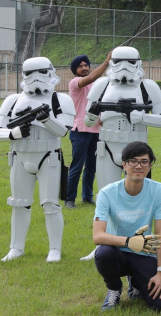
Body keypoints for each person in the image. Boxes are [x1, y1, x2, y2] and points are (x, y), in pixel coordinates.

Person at [0, 56, 76, 263]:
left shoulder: (61, 100)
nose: (35, 78)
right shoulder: (13, 101)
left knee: (50, 205)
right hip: (20, 156)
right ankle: (16, 248)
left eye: (41, 72)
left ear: (51, 72)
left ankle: (55, 249)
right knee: (19, 204)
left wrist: (45, 120)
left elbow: (63, 131)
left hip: (48, 156)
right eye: (30, 73)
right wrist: (14, 133)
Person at [92, 141, 161, 311]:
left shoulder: (158, 190)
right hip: (117, 252)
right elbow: (98, 236)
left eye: (144, 162)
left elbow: (160, 233)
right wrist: (129, 242)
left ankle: (136, 282)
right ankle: (114, 288)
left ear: (150, 166)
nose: (138, 166)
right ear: (124, 164)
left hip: (143, 253)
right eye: (133, 161)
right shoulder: (107, 193)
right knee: (103, 252)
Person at [85, 46, 161, 190]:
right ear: (112, 63)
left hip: (137, 149)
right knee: (105, 196)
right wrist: (92, 114)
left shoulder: (147, 86)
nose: (124, 67)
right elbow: (87, 121)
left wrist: (140, 117)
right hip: (107, 147)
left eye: (130, 62)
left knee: (139, 196)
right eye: (118, 62)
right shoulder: (102, 85)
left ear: (137, 63)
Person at [65, 51, 111, 209]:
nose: (84, 68)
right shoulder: (76, 83)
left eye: (86, 65)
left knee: (92, 167)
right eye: (80, 66)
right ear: (75, 70)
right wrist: (107, 62)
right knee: (77, 166)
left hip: (96, 131)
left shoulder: (96, 85)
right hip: (80, 131)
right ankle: (69, 199)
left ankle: (87, 197)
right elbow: (91, 78)